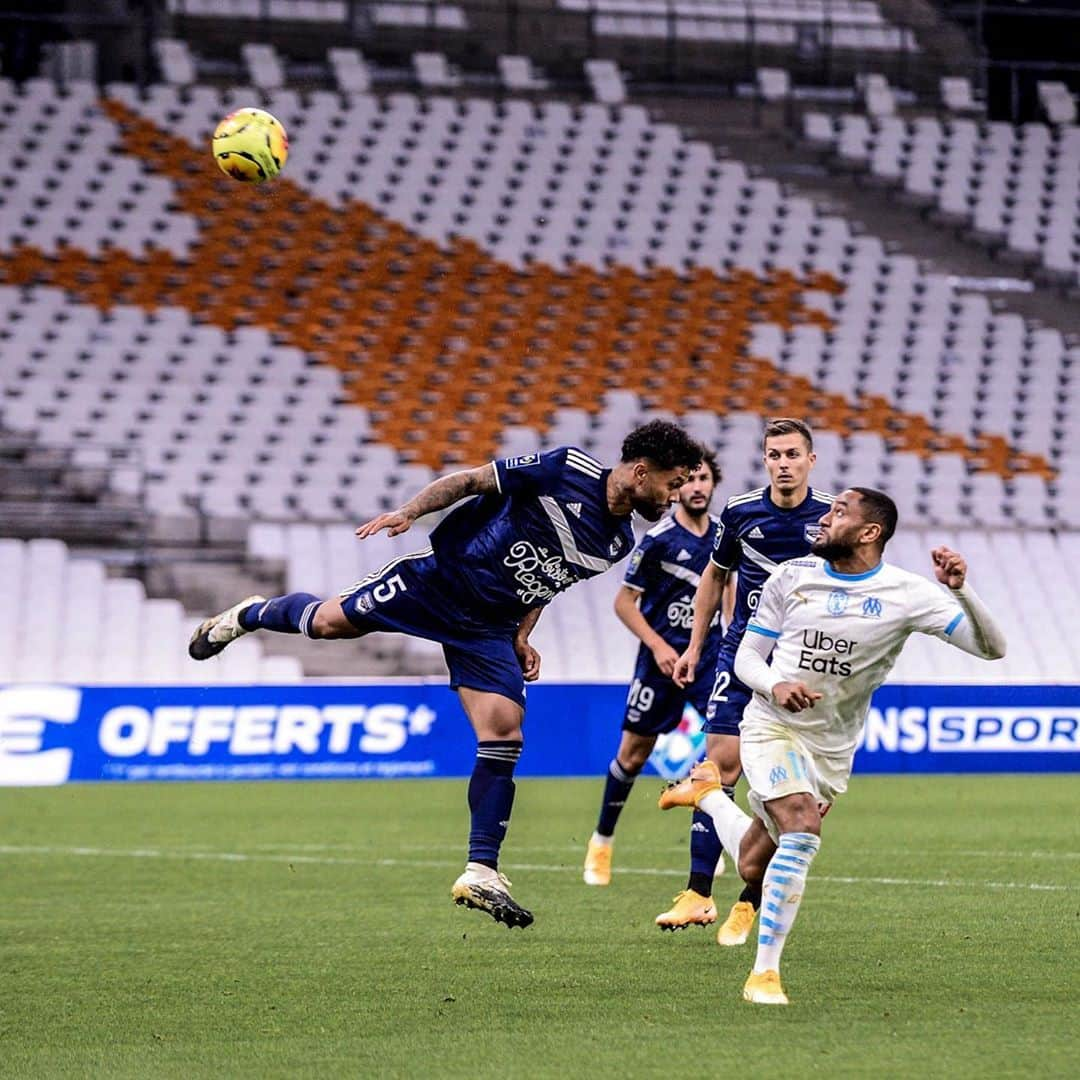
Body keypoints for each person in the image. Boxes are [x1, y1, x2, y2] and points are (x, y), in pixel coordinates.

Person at [188, 420, 706, 929]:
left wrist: (523, 635)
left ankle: (482, 870)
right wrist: (410, 512)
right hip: (439, 580)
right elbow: (472, 481)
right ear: (641, 473)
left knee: (504, 731)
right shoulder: (566, 468)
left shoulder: (618, 542)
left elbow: (549, 582)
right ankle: (248, 615)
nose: (676, 495)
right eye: (674, 483)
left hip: (489, 626)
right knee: (328, 624)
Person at [660, 487, 1006, 1004]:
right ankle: (765, 975)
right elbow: (747, 657)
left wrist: (961, 591)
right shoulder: (792, 577)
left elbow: (991, 649)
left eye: (839, 513)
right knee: (801, 826)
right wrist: (774, 685)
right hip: (772, 725)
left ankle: (707, 794)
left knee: (756, 863)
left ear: (870, 533)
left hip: (832, 746)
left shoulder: (907, 593)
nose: (824, 518)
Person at [662, 418, 831, 938]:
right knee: (719, 763)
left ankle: (752, 894)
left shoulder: (830, 516)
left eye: (791, 454)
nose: (782, 463)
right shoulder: (739, 513)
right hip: (742, 655)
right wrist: (695, 645)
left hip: (801, 664)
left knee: (793, 790)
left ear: (810, 460)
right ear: (765, 460)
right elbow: (715, 577)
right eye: (774, 454)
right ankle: (697, 893)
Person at [582, 451, 731, 889]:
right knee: (632, 756)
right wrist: (660, 646)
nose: (698, 487)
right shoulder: (659, 539)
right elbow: (623, 603)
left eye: (705, 479)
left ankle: (710, 843)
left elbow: (728, 591)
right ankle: (602, 841)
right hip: (661, 660)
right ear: (678, 486)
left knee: (724, 751)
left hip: (708, 657)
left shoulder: (725, 533)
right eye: (690, 480)